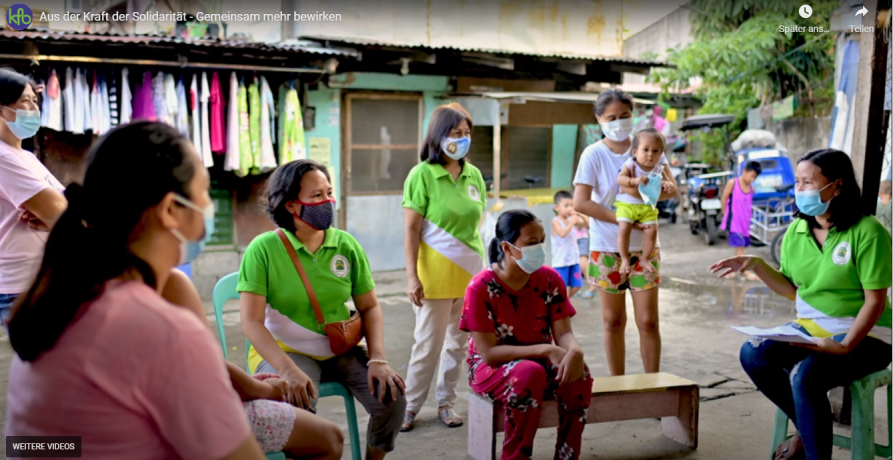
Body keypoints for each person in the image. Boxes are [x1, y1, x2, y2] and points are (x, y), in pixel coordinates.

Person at [5, 122, 266, 459]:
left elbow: (31, 446)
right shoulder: (165, 330)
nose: (210, 207)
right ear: (171, 210)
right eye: (205, 193)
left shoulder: (61, 300)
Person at [711, 149, 892, 460]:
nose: (800, 190)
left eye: (808, 182)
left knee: (805, 376)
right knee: (753, 353)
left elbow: (875, 301)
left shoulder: (868, 231)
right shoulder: (797, 230)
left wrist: (846, 345)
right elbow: (795, 290)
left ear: (836, 186)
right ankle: (805, 429)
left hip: (868, 335)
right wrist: (755, 264)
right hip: (811, 328)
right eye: (797, 182)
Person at [239, 159, 406, 460]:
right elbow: (251, 322)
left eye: (329, 193)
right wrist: (287, 370)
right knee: (297, 406)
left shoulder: (346, 245)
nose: (327, 202)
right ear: (291, 205)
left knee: (392, 398)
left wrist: (378, 358)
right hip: (285, 351)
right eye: (317, 196)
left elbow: (369, 306)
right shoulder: (262, 249)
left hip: (340, 346)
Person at [162, 269, 345, 459]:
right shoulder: (169, 281)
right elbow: (208, 365)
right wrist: (264, 389)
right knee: (331, 439)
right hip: (195, 416)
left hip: (162, 414)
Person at [461, 209, 592, 460]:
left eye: (541, 242)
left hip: (538, 363)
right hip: (491, 368)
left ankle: (567, 456)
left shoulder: (550, 279)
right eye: (531, 243)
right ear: (507, 248)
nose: (539, 249)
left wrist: (574, 350)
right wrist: (545, 349)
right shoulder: (480, 288)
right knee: (529, 373)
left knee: (579, 374)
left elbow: (563, 332)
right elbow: (488, 354)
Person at [572, 89, 677, 376]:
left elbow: (673, 190)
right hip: (606, 247)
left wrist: (652, 194)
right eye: (612, 118)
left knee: (648, 321)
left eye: (625, 116)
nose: (619, 122)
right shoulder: (593, 154)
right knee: (613, 321)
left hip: (644, 248)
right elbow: (580, 202)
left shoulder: (649, 147)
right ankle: (618, 384)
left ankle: (652, 385)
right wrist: (623, 221)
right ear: (599, 120)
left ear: (634, 116)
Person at [401, 102, 487, 431]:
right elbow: (411, 229)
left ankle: (446, 402)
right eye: (455, 133)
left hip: (470, 276)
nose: (462, 139)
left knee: (458, 345)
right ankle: (408, 407)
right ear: (439, 136)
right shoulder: (422, 175)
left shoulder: (473, 174)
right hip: (432, 279)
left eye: (466, 133)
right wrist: (412, 277)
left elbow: (475, 225)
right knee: (427, 346)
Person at [0, 68, 66, 328]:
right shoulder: (3, 158)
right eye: (24, 101)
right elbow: (59, 212)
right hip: (20, 289)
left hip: (42, 282)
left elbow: (62, 210)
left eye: (35, 101)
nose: (34, 109)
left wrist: (58, 214)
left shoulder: (25, 157)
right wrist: (57, 215)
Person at [615, 128, 672, 274]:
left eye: (655, 151)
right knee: (623, 229)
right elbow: (620, 179)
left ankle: (645, 258)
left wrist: (667, 185)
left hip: (647, 207)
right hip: (627, 205)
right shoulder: (631, 164)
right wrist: (634, 180)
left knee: (653, 231)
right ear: (634, 152)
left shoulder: (658, 168)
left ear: (660, 154)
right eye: (645, 149)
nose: (650, 154)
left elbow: (667, 183)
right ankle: (624, 259)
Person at [720, 161, 762, 280]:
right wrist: (725, 214)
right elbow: (724, 198)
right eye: (751, 176)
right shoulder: (733, 183)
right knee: (740, 246)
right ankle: (745, 271)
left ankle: (733, 270)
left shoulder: (751, 189)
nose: (752, 179)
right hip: (734, 222)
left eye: (755, 177)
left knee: (740, 247)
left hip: (745, 222)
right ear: (744, 171)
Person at [551, 190, 585, 297]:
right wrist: (572, 222)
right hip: (560, 262)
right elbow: (562, 233)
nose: (570, 208)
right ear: (557, 207)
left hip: (573, 260)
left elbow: (587, 225)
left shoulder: (572, 219)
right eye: (566, 205)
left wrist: (581, 215)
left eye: (571, 205)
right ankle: (561, 305)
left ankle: (565, 302)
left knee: (577, 285)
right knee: (561, 287)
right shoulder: (555, 221)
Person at [573, 212, 596, 299]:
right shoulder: (568, 213)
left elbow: (589, 224)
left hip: (583, 239)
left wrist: (581, 216)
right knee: (576, 265)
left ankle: (592, 285)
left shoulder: (581, 212)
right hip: (571, 241)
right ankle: (576, 288)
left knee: (583, 265)